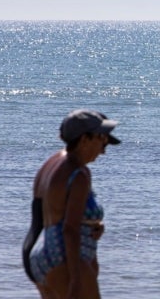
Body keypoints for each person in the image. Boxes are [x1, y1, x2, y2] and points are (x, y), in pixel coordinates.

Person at [23, 109, 121, 299]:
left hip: (39, 254)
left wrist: (91, 226)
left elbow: (45, 216)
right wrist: (76, 278)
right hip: (65, 257)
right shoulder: (79, 174)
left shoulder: (49, 165)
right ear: (84, 139)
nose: (104, 149)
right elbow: (69, 228)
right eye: (102, 139)